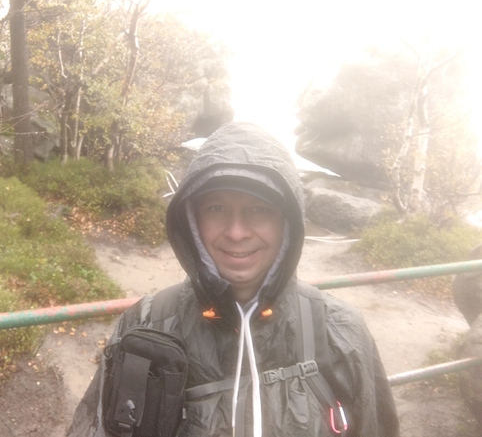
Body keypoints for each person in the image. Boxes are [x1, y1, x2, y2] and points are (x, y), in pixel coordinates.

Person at [68, 122, 399, 437]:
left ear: (286, 223)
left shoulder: (339, 330)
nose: (236, 232)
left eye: (259, 209)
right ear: (192, 220)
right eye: (216, 208)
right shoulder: (146, 325)